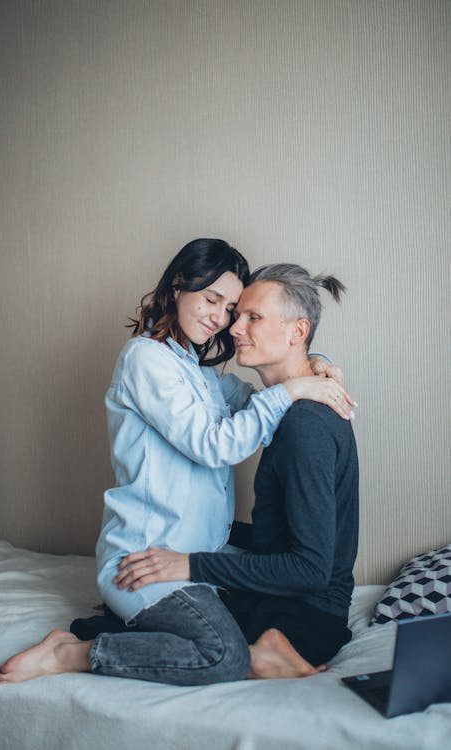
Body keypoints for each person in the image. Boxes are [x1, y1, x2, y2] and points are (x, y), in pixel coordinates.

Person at [0, 242, 354, 687]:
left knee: (253, 628)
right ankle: (73, 652)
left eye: (235, 309)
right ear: (178, 287)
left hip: (191, 551)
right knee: (224, 656)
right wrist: (296, 389)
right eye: (212, 300)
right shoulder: (146, 359)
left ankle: (126, 629)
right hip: (148, 553)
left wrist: (316, 365)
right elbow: (214, 443)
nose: (224, 321)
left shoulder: (198, 375)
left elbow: (260, 404)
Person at [115, 263, 359, 670]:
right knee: (149, 598)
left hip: (304, 616)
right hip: (290, 600)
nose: (233, 327)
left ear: (296, 332)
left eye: (252, 317)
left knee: (202, 638)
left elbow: (310, 568)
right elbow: (282, 532)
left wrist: (191, 561)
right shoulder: (289, 408)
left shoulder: (305, 425)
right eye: (235, 314)